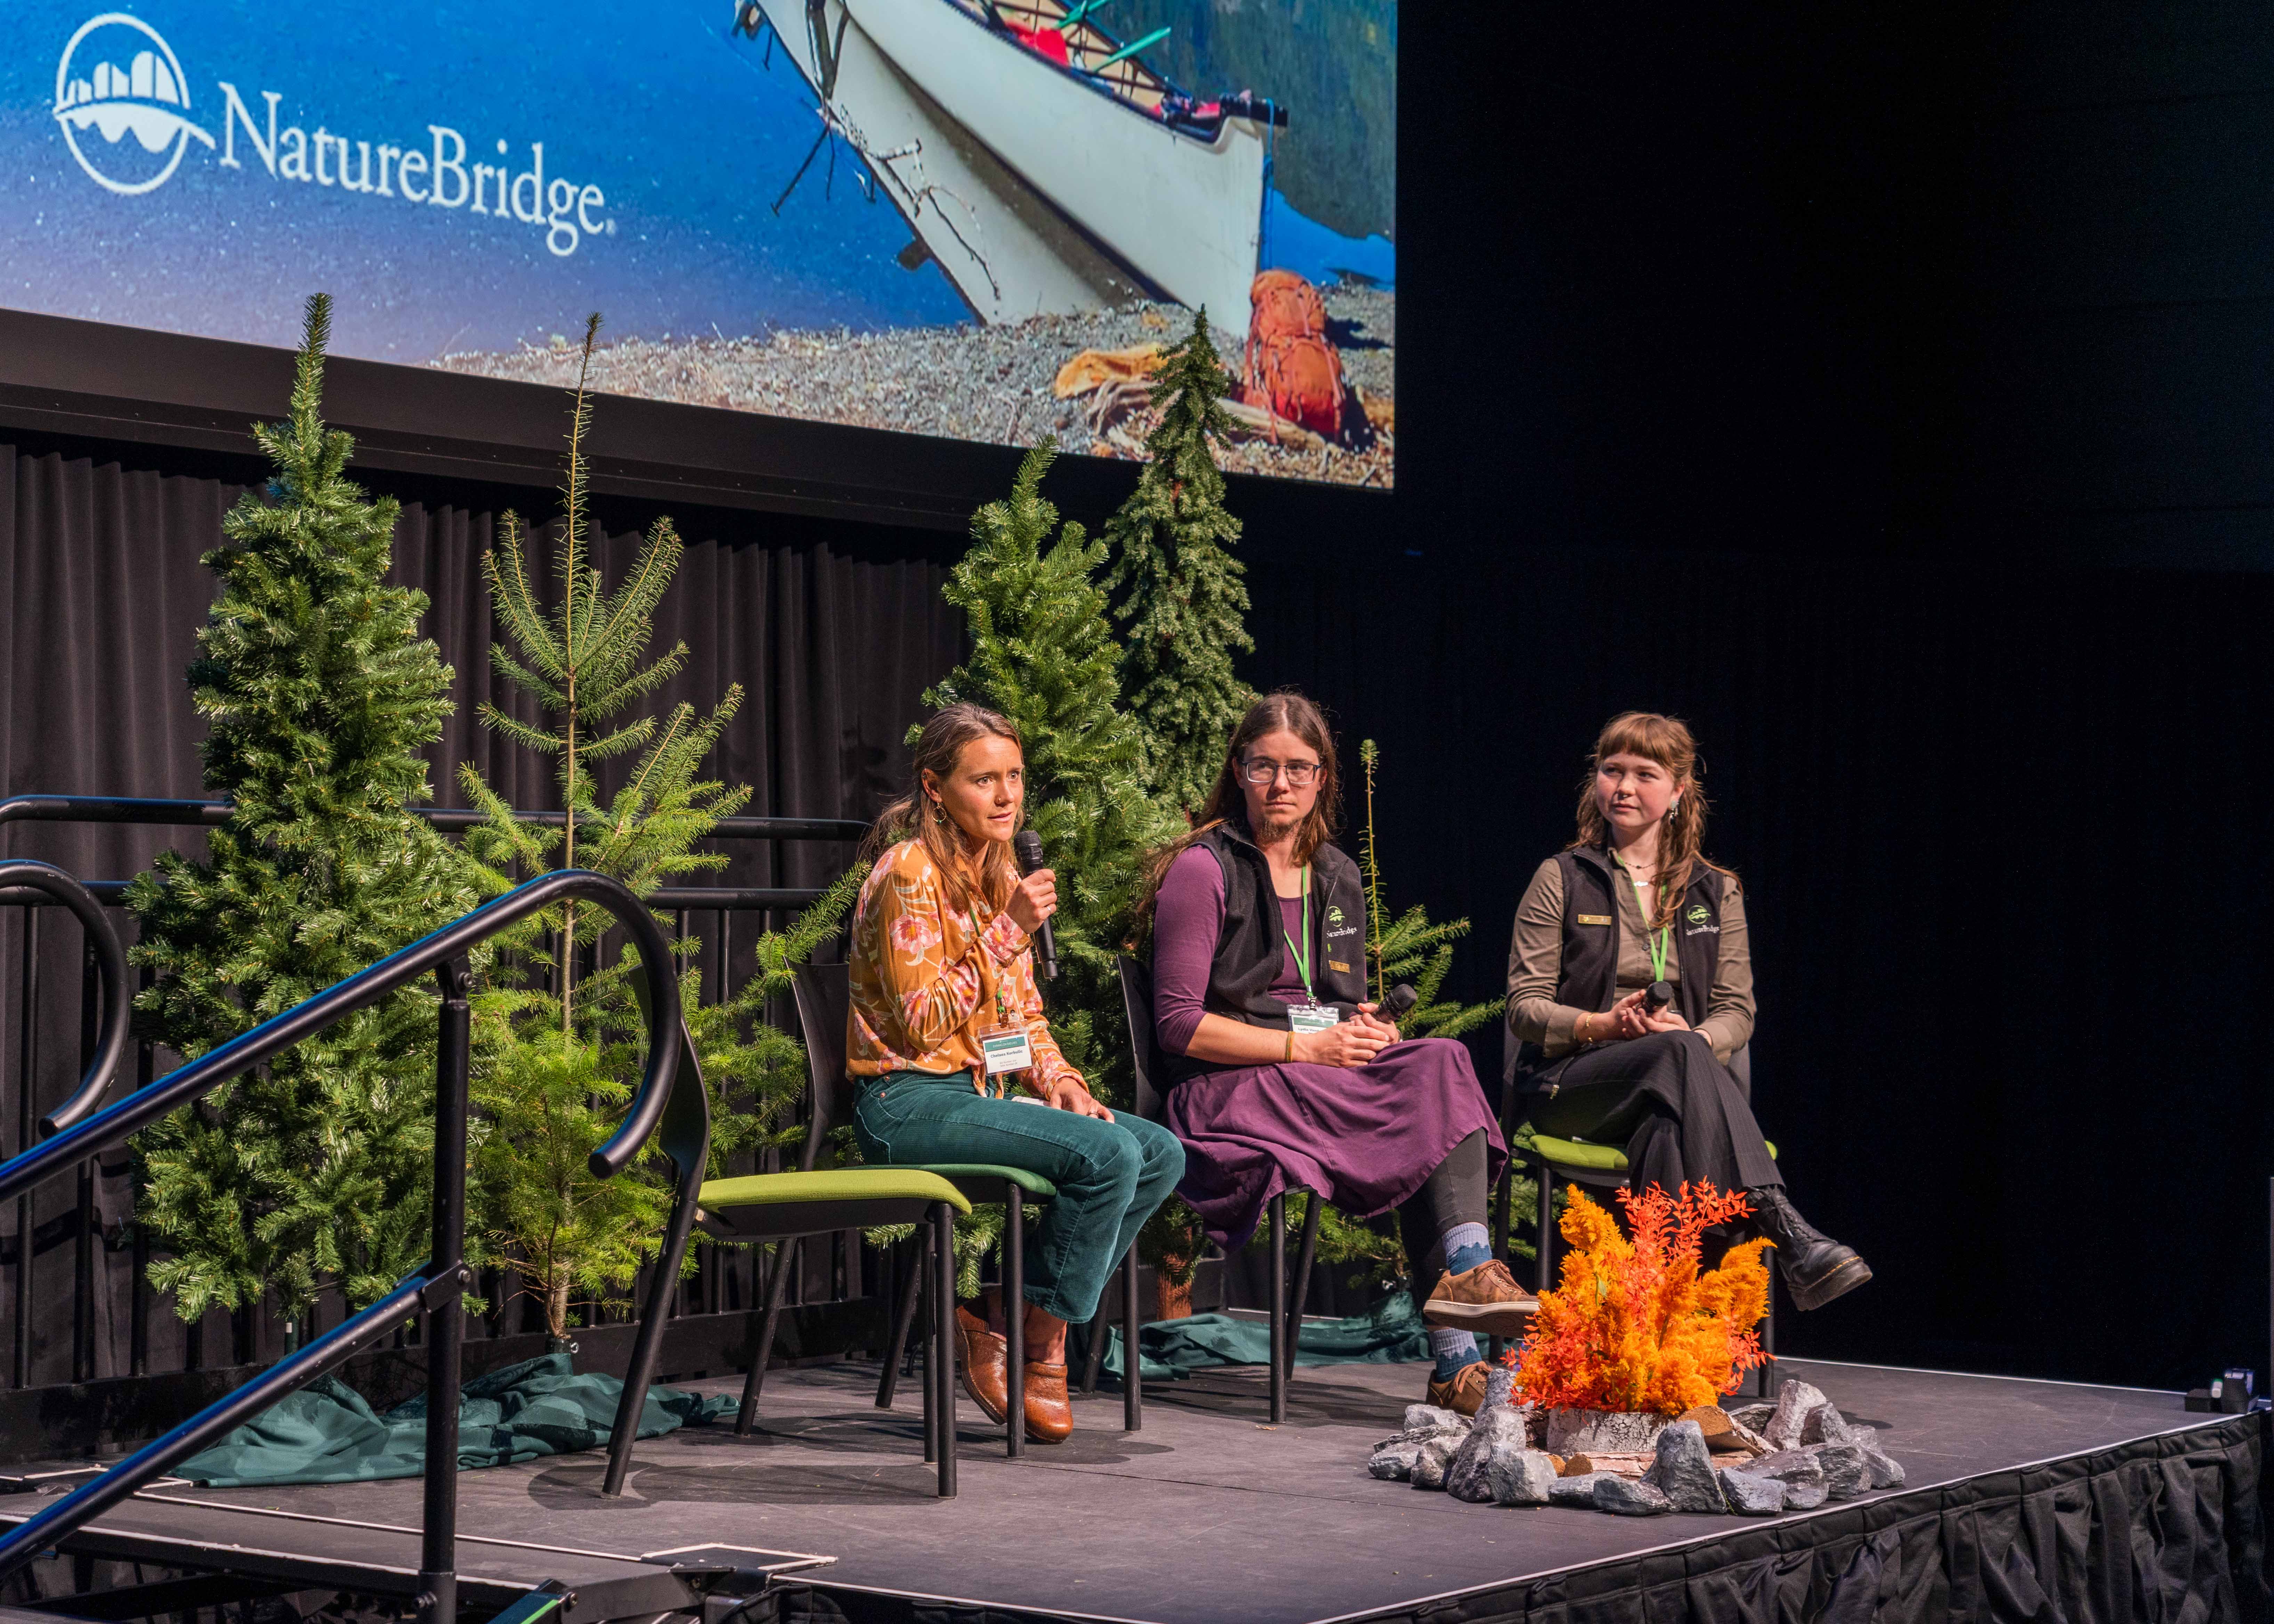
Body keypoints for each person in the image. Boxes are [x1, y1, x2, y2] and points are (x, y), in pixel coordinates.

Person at [1142, 691, 1531, 1417]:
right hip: (1228, 1088)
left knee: (1437, 1062)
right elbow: (1178, 1026)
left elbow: (1335, 1004)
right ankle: (1459, 1343)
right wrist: (1306, 1046)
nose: (1280, 783)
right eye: (1264, 766)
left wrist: (1367, 1031)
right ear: (1239, 769)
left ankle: (1468, 1284)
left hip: (1311, 1072)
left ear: (1322, 778)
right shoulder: (1204, 868)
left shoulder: (1338, 876)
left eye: (1297, 768)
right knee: (1425, 1112)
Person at [846, 703, 1185, 1443]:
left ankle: (1014, 1318)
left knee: (1157, 1150)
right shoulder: (910, 872)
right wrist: (1009, 930)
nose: (1007, 796)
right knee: (1108, 1153)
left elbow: (1022, 1015)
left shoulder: (996, 868)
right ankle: (1040, 1344)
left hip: (981, 1091)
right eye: (984, 780)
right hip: (905, 1100)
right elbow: (920, 1023)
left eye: (1014, 777)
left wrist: (1058, 1078)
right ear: (935, 788)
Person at [1505, 710, 1870, 1310]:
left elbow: (1735, 1011)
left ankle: (1653, 1326)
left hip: (1674, 1083)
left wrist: (1696, 1038)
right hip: (1574, 1084)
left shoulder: (1713, 889)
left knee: (1669, 1130)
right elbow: (1524, 1008)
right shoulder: (1562, 878)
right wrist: (1601, 1024)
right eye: (1610, 771)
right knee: (1678, 1057)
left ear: (1677, 792)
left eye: (1643, 774)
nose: (1621, 787)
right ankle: (1781, 1223)